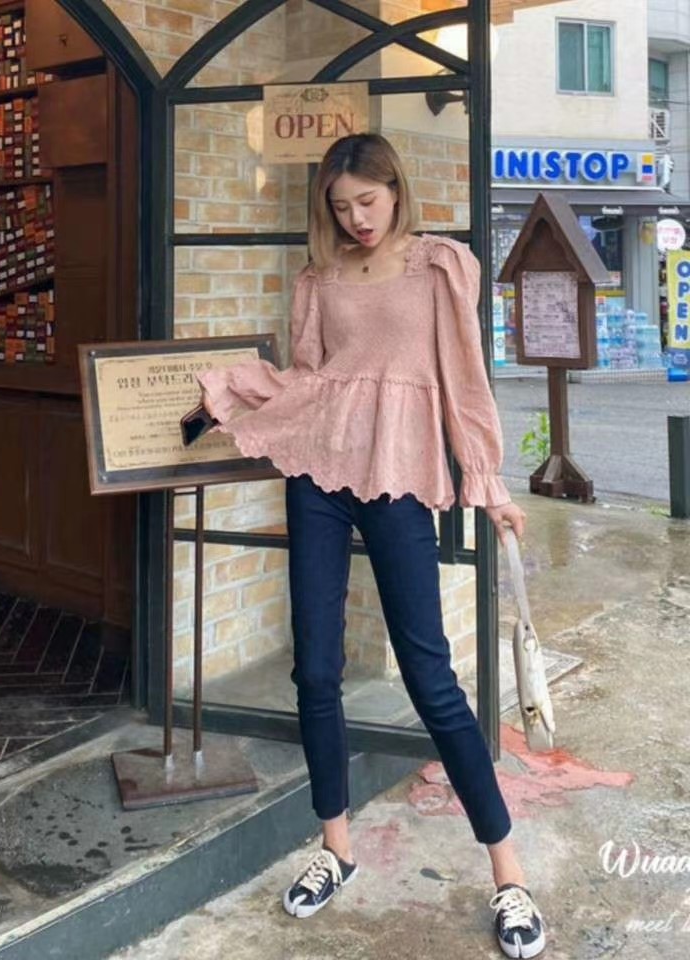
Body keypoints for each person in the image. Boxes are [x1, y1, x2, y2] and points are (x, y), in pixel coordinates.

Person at [196, 133, 546, 959]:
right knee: (316, 669)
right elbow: (311, 377)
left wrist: (489, 484)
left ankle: (509, 874)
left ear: (395, 190)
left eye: (369, 200)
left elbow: (463, 381)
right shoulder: (318, 279)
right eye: (342, 205)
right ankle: (336, 848)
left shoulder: (439, 267)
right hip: (318, 474)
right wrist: (233, 391)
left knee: (430, 675)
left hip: (399, 474)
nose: (357, 218)